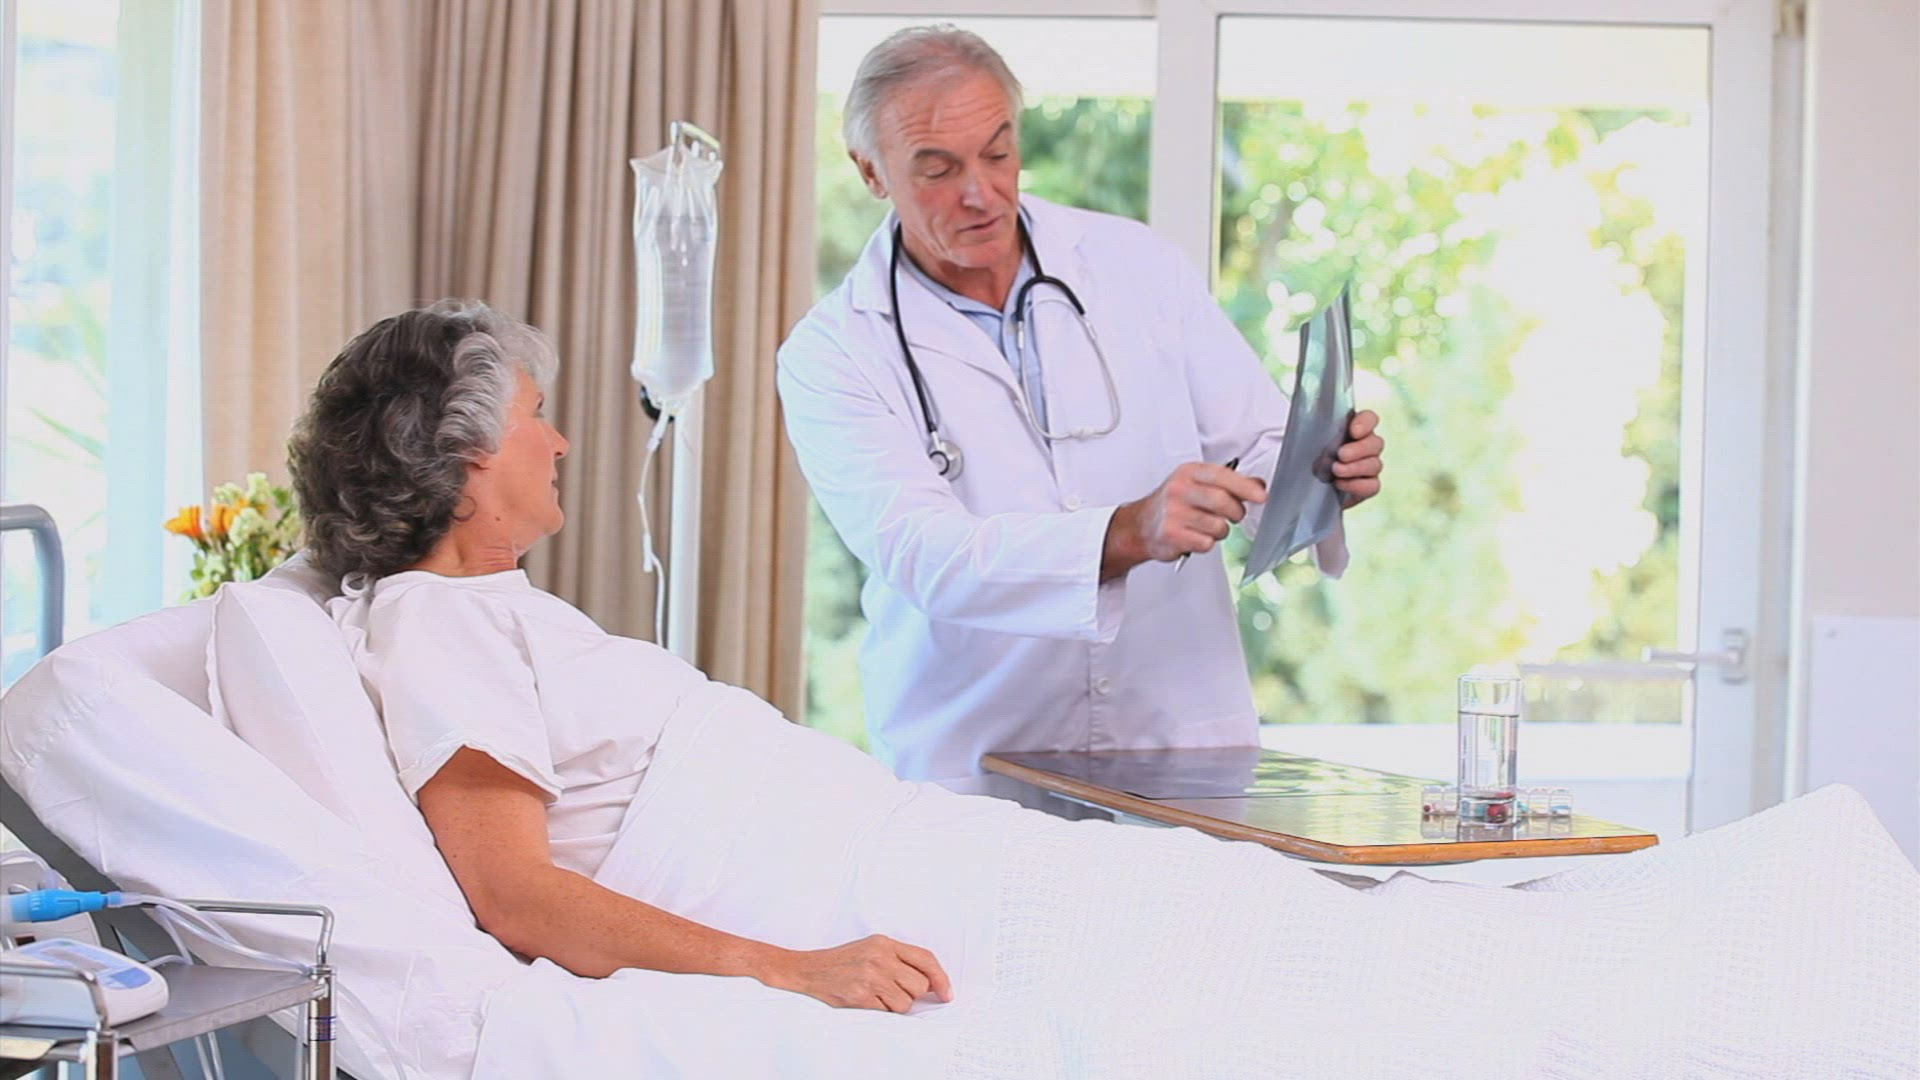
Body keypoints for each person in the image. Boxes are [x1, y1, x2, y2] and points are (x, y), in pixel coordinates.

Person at [291, 303, 1914, 1075]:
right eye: (535, 418)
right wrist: (793, 970)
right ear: (462, 458)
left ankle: (1761, 970)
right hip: (850, 888)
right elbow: (516, 897)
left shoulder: (484, 607)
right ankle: (1763, 980)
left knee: (1291, 932)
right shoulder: (433, 627)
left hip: (900, 846)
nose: (565, 440)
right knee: (1280, 968)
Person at [777, 26, 1386, 794]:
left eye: (999, 153)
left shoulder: (1134, 263)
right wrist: (1125, 532)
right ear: (871, 171)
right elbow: (925, 555)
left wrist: (1321, 472)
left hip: (1178, 739)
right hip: (976, 763)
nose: (981, 193)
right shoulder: (834, 351)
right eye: (938, 169)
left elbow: (1257, 441)